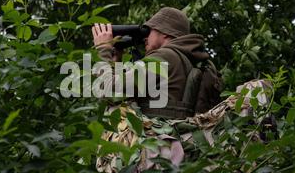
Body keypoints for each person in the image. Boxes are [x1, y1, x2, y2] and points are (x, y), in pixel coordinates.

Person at [92, 7, 222, 119]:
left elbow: (110, 93)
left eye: (149, 31)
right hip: (171, 140)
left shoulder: (164, 57)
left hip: (151, 142)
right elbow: (124, 92)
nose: (145, 37)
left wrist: (103, 49)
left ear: (165, 33)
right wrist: (116, 63)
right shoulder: (185, 60)